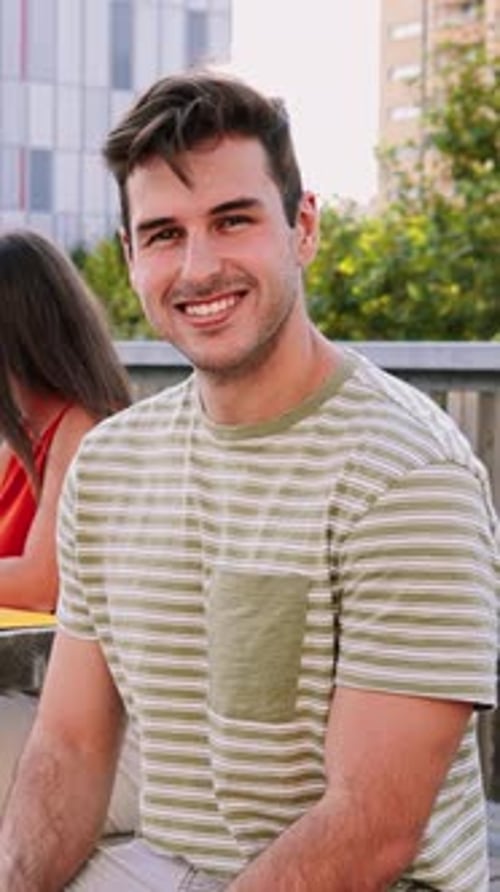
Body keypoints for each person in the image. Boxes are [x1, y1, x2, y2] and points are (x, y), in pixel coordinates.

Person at [0, 72, 497, 892]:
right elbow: (73, 749)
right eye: (162, 234)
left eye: (233, 221)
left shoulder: (407, 473)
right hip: (162, 863)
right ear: (130, 259)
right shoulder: (114, 466)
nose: (199, 267)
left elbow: (370, 829)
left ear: (302, 228)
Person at [0, 229, 138, 828]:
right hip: (37, 698)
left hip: (98, 729)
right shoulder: (19, 439)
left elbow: (38, 582)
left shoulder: (86, 429)